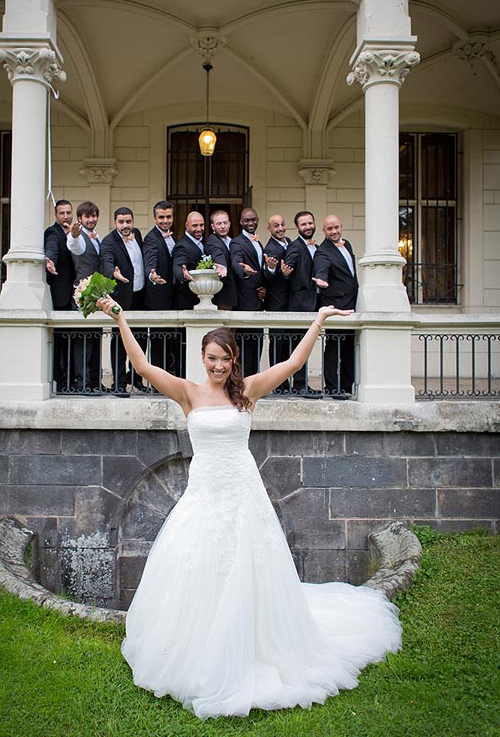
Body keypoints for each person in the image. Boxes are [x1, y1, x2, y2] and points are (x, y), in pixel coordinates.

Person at [97, 295, 402, 720]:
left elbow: (293, 365)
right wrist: (120, 318)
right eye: (211, 358)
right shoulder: (189, 393)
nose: (218, 366)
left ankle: (254, 647)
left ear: (234, 359)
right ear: (202, 358)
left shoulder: (248, 392)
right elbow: (145, 368)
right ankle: (201, 647)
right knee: (199, 567)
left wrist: (319, 320)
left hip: (243, 495)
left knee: (248, 569)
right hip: (204, 495)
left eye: (224, 359)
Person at [100, 207, 148, 394]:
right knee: (120, 341)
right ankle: (119, 383)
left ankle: (136, 379)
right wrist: (113, 273)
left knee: (141, 338)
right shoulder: (109, 241)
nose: (125, 225)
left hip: (140, 295)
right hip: (122, 298)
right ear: (115, 223)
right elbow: (106, 261)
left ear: (133, 222)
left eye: (128, 221)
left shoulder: (137, 234)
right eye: (121, 222)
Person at [312, 214, 358, 399]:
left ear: (341, 227)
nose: (334, 231)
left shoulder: (347, 244)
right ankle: (332, 387)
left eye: (336, 228)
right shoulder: (323, 251)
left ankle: (347, 384)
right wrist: (321, 279)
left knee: (349, 347)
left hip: (352, 303)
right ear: (324, 231)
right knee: (334, 346)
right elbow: (321, 268)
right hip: (336, 305)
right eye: (330, 229)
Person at [282, 210, 322, 397]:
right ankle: (298, 385)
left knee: (305, 346)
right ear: (297, 227)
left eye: (310, 223)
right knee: (299, 346)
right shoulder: (295, 246)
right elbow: (287, 268)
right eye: (303, 224)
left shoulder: (318, 246)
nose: (308, 227)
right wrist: (284, 272)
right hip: (300, 304)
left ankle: (301, 384)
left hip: (315, 303)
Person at [67, 201, 102, 392]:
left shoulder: (97, 238)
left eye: (94, 216)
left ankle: (95, 383)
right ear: (80, 219)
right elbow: (75, 245)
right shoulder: (78, 238)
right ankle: (82, 384)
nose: (92, 219)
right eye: (87, 216)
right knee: (84, 342)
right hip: (82, 295)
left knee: (95, 339)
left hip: (96, 294)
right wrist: (74, 234)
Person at [143, 201, 181, 375]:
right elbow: (150, 260)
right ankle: (160, 380)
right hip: (158, 298)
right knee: (159, 340)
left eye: (168, 217)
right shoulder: (151, 238)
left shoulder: (171, 236)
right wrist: (152, 275)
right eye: (161, 217)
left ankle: (170, 373)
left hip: (172, 297)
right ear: (155, 218)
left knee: (170, 339)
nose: (165, 221)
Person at [230, 207, 266, 377]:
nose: (251, 223)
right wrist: (243, 271)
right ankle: (241, 382)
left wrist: (264, 287)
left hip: (258, 300)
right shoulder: (237, 242)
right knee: (244, 346)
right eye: (247, 220)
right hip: (245, 301)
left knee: (257, 343)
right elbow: (236, 262)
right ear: (240, 222)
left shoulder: (258, 242)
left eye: (253, 220)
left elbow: (261, 269)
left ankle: (253, 380)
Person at [44, 199, 75, 392]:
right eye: (62, 213)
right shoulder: (52, 233)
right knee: (60, 342)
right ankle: (59, 382)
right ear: (56, 215)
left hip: (74, 293)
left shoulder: (74, 232)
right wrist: (50, 261)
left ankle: (71, 380)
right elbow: (52, 249)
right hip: (61, 294)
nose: (65, 216)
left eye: (68, 212)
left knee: (71, 339)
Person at [263, 214, 292, 393]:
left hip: (290, 301)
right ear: (270, 229)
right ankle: (277, 384)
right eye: (276, 226)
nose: (280, 228)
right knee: (278, 344)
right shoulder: (270, 248)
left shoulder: (288, 241)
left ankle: (285, 382)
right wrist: (272, 268)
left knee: (287, 345)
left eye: (282, 224)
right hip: (277, 302)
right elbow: (267, 275)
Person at [172, 211, 206, 310]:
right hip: (187, 301)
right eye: (195, 225)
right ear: (187, 226)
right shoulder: (182, 245)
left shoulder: (203, 242)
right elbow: (178, 265)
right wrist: (183, 274)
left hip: (201, 299)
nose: (199, 229)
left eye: (201, 225)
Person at [204, 209, 237, 310]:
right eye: (219, 224)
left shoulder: (232, 241)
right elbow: (217, 253)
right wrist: (222, 265)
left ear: (229, 224)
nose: (223, 226)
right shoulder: (212, 240)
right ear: (213, 226)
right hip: (222, 296)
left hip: (236, 293)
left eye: (225, 223)